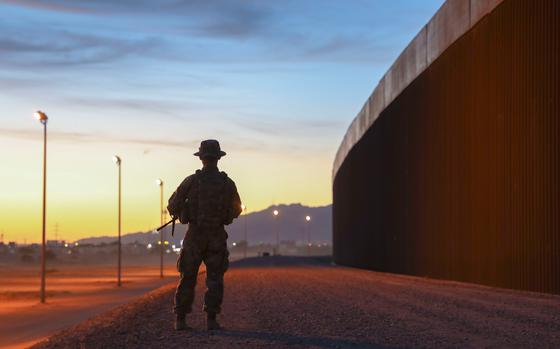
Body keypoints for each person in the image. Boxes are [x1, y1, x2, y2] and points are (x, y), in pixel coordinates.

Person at [167, 139, 242, 331]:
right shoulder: (227, 183)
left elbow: (172, 205)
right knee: (215, 278)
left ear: (202, 159)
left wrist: (183, 211)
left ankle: (180, 321)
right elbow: (237, 208)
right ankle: (211, 321)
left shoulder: (191, 181)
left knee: (187, 277)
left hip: (195, 235)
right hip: (216, 235)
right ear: (218, 158)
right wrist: (224, 216)